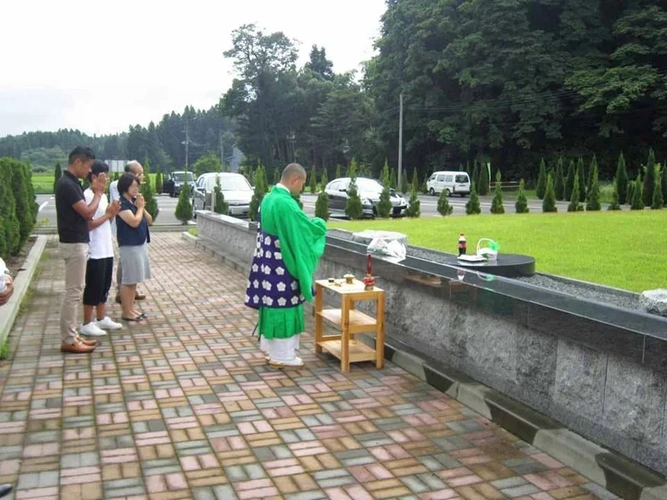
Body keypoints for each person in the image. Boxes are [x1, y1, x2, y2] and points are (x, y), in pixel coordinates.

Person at [244, 163, 327, 368]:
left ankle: (272, 351)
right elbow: (302, 231)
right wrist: (320, 225)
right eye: (303, 183)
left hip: (267, 263)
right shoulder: (286, 204)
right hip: (282, 265)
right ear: (294, 180)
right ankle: (283, 356)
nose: (302, 188)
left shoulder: (268, 198)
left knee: (271, 304)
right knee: (285, 305)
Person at [55, 146, 105, 354]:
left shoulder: (70, 183)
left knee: (75, 291)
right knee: (73, 292)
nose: (89, 171)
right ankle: (69, 338)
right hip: (74, 243)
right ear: (78, 162)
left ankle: (73, 335)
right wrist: (98, 193)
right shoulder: (67, 184)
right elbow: (87, 213)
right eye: (88, 166)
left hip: (76, 242)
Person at [79, 161, 122, 337]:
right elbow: (88, 224)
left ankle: (101, 318)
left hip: (106, 248)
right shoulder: (88, 196)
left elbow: (106, 221)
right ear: (94, 177)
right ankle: (87, 322)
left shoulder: (103, 196)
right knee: (93, 286)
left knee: (104, 285)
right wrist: (108, 214)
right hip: (94, 250)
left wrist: (111, 214)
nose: (106, 179)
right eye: (103, 176)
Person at [116, 173, 152, 321]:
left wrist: (142, 207)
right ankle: (126, 311)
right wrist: (140, 208)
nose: (136, 188)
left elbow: (149, 220)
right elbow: (134, 222)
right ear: (125, 187)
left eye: (137, 186)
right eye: (133, 186)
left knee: (134, 279)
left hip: (139, 244)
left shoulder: (134, 203)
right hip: (129, 245)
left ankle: (131, 309)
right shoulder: (121, 205)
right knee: (128, 279)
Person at [111, 161, 147, 304]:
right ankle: (122, 291)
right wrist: (139, 207)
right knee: (125, 263)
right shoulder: (118, 186)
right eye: (140, 174)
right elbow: (126, 211)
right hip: (123, 229)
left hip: (134, 233)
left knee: (132, 267)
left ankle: (131, 291)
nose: (141, 178)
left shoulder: (134, 189)